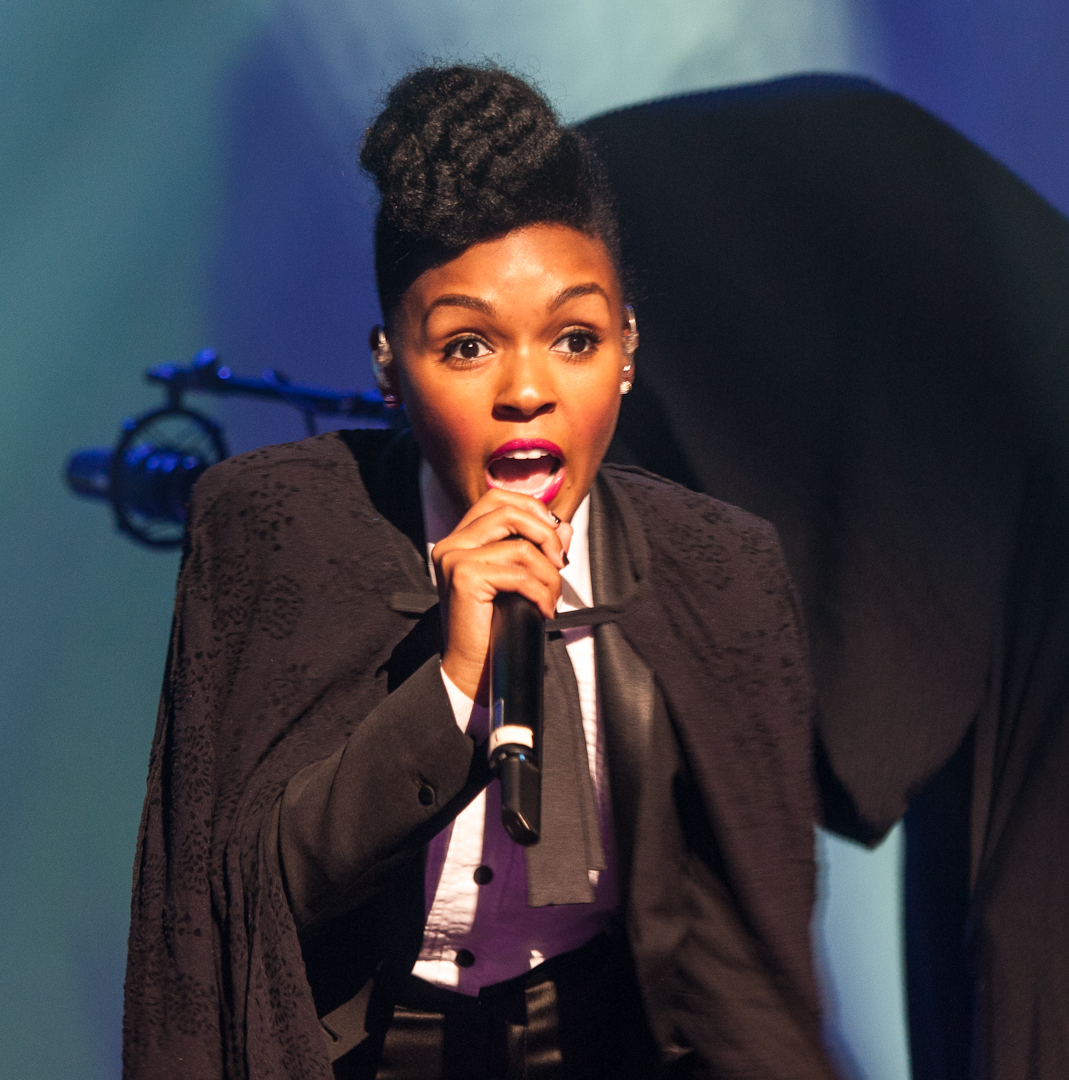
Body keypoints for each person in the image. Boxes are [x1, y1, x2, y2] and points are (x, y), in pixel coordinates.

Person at [123, 64, 836, 1080]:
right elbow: (246, 901)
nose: (526, 392)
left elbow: (750, 945)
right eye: (466, 346)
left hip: (601, 1038)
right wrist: (455, 683)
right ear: (388, 366)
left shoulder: (718, 568)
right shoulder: (276, 530)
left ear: (628, 351)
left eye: (575, 338)